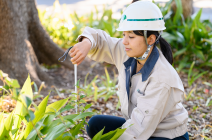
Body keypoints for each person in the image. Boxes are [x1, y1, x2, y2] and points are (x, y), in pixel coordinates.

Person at [68, 0, 189, 139]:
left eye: (131, 36)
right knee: (95, 124)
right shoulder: (129, 52)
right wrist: (86, 43)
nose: (124, 41)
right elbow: (102, 41)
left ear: (150, 39)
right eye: (124, 34)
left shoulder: (162, 78)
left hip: (166, 135)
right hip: (140, 125)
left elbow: (138, 131)